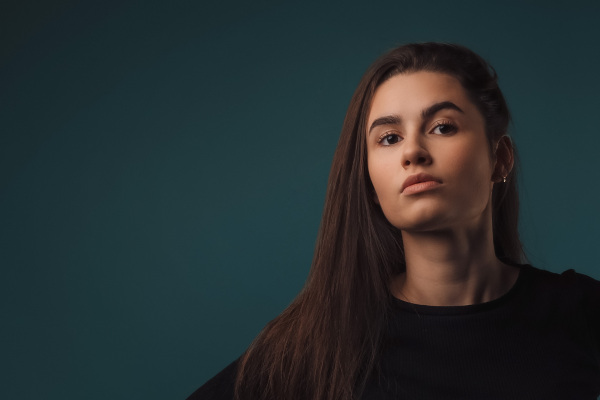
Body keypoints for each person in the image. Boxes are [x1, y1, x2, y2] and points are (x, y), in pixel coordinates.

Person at [187, 43, 600, 400]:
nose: (413, 152)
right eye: (388, 137)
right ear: (368, 180)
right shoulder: (315, 342)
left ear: (500, 158)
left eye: (442, 127)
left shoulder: (578, 313)